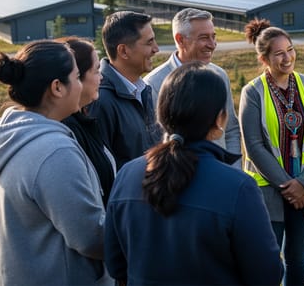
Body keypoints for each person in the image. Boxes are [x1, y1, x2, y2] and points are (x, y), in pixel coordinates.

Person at [104, 62, 283, 285]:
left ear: (161, 115)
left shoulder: (127, 175)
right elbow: (267, 273)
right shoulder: (237, 187)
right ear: (220, 120)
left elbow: (115, 263)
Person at [0, 40, 111, 285]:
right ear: (57, 88)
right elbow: (91, 238)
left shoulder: (11, 137)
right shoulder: (55, 152)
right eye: (76, 77)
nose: (81, 84)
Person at [239, 18, 304, 286]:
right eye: (279, 53)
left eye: (290, 49)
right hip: (268, 193)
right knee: (268, 260)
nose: (287, 57)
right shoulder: (252, 92)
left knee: (297, 260)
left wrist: (301, 183)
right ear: (263, 58)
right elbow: (254, 146)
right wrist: (286, 185)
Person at [144, 8, 241, 163]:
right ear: (180, 39)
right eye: (204, 38)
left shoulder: (220, 75)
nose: (212, 44)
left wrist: (233, 171)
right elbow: (155, 143)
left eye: (213, 37)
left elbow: (231, 130)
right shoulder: (153, 84)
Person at [89, 10, 161, 168]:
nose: (156, 49)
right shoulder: (101, 101)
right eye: (149, 43)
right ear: (123, 51)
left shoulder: (144, 91)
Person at [58, 36, 117, 206]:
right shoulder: (68, 130)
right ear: (76, 77)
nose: (102, 78)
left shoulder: (84, 121)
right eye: (96, 70)